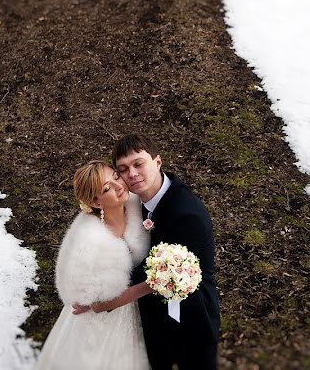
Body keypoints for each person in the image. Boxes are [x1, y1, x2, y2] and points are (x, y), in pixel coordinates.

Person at [75, 134, 221, 369]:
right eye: (123, 169)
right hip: (149, 322)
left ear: (158, 162)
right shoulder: (132, 201)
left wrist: (103, 302)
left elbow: (161, 278)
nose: (131, 174)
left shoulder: (186, 215)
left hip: (190, 322)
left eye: (138, 163)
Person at [36, 161, 151, 370]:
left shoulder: (137, 207)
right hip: (96, 321)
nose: (118, 186)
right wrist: (153, 284)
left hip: (130, 310)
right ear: (96, 203)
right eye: (107, 188)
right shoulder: (89, 240)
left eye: (116, 177)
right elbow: (98, 304)